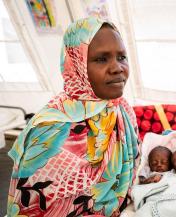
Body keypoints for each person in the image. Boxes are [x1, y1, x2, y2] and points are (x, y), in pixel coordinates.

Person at [7, 17, 139, 217]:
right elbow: (35, 207)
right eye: (101, 59)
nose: (117, 68)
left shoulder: (120, 109)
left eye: (121, 57)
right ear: (76, 63)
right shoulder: (48, 130)